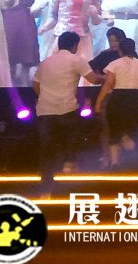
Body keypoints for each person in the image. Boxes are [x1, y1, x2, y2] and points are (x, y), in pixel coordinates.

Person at [33, 31, 101, 182]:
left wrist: (46, 97)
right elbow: (93, 80)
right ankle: (68, 168)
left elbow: (36, 85)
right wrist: (107, 79)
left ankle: (45, 177)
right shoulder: (77, 60)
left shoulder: (46, 62)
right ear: (75, 45)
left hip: (45, 109)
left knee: (47, 144)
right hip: (67, 107)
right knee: (70, 139)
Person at [95, 38, 138, 169]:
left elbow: (108, 84)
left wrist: (99, 102)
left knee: (115, 128)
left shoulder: (115, 64)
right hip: (137, 98)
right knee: (133, 127)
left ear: (120, 50)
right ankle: (131, 158)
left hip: (119, 97)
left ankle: (115, 162)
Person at [3, 0, 41, 86]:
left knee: (25, 62)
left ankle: (25, 93)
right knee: (9, 61)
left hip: (25, 21)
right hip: (7, 20)